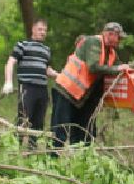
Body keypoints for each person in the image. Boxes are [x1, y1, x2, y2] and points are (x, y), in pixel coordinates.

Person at [51, 21, 127, 149]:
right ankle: (51, 160)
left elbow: (121, 67)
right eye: (118, 37)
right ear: (110, 34)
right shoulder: (93, 42)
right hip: (66, 91)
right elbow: (94, 67)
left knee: (82, 132)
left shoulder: (111, 53)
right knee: (61, 131)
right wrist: (118, 68)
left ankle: (80, 162)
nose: (119, 41)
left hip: (81, 97)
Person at [2, 18, 58, 148]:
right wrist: (8, 82)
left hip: (42, 89)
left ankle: (32, 149)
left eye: (45, 30)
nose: (43, 32)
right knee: (24, 118)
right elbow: (10, 62)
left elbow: (47, 70)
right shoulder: (22, 44)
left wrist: (60, 76)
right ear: (33, 29)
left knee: (38, 121)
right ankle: (16, 148)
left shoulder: (46, 50)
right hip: (27, 88)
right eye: (40, 29)